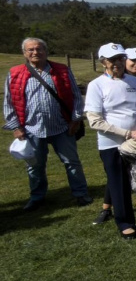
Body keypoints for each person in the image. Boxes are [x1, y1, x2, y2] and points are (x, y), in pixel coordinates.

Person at [4, 37, 91, 211]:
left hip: (62, 127)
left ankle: (81, 194)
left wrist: (75, 120)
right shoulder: (15, 73)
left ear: (46, 51)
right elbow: (9, 101)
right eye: (31, 50)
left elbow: (75, 96)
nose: (35, 52)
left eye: (39, 49)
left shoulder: (62, 70)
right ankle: (37, 197)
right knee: (34, 166)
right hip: (31, 128)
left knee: (72, 162)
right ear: (24, 53)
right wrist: (16, 126)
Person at [84, 43, 136, 238]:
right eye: (112, 59)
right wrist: (129, 133)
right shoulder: (96, 85)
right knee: (118, 182)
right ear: (103, 62)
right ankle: (125, 222)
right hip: (112, 143)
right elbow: (95, 121)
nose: (117, 63)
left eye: (121, 58)